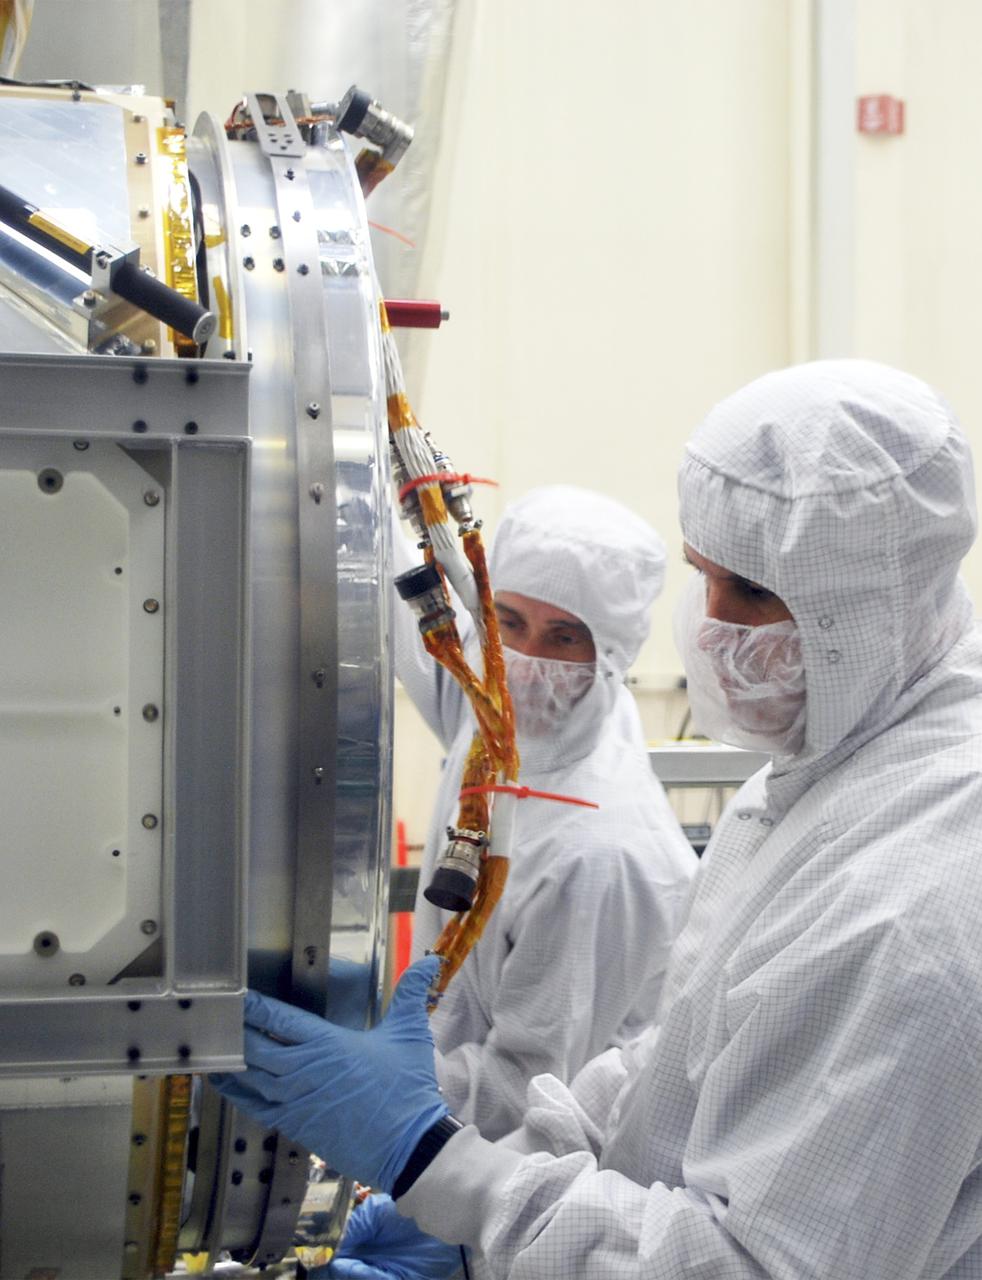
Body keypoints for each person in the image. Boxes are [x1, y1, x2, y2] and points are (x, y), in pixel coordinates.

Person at [213, 358, 982, 1279]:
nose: (713, 628)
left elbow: (754, 1265)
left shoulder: (910, 901)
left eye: (751, 593)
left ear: (864, 610)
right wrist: (477, 1214)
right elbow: (678, 1065)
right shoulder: (818, 774)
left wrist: (444, 1167)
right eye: (705, 580)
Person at [393, 485, 697, 1140]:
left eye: (565, 636)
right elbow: (421, 640)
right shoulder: (511, 720)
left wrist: (376, 1085)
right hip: (440, 1114)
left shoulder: (601, 854)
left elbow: (527, 1092)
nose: (526, 662)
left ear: (611, 655)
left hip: (529, 1176)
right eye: (511, 623)